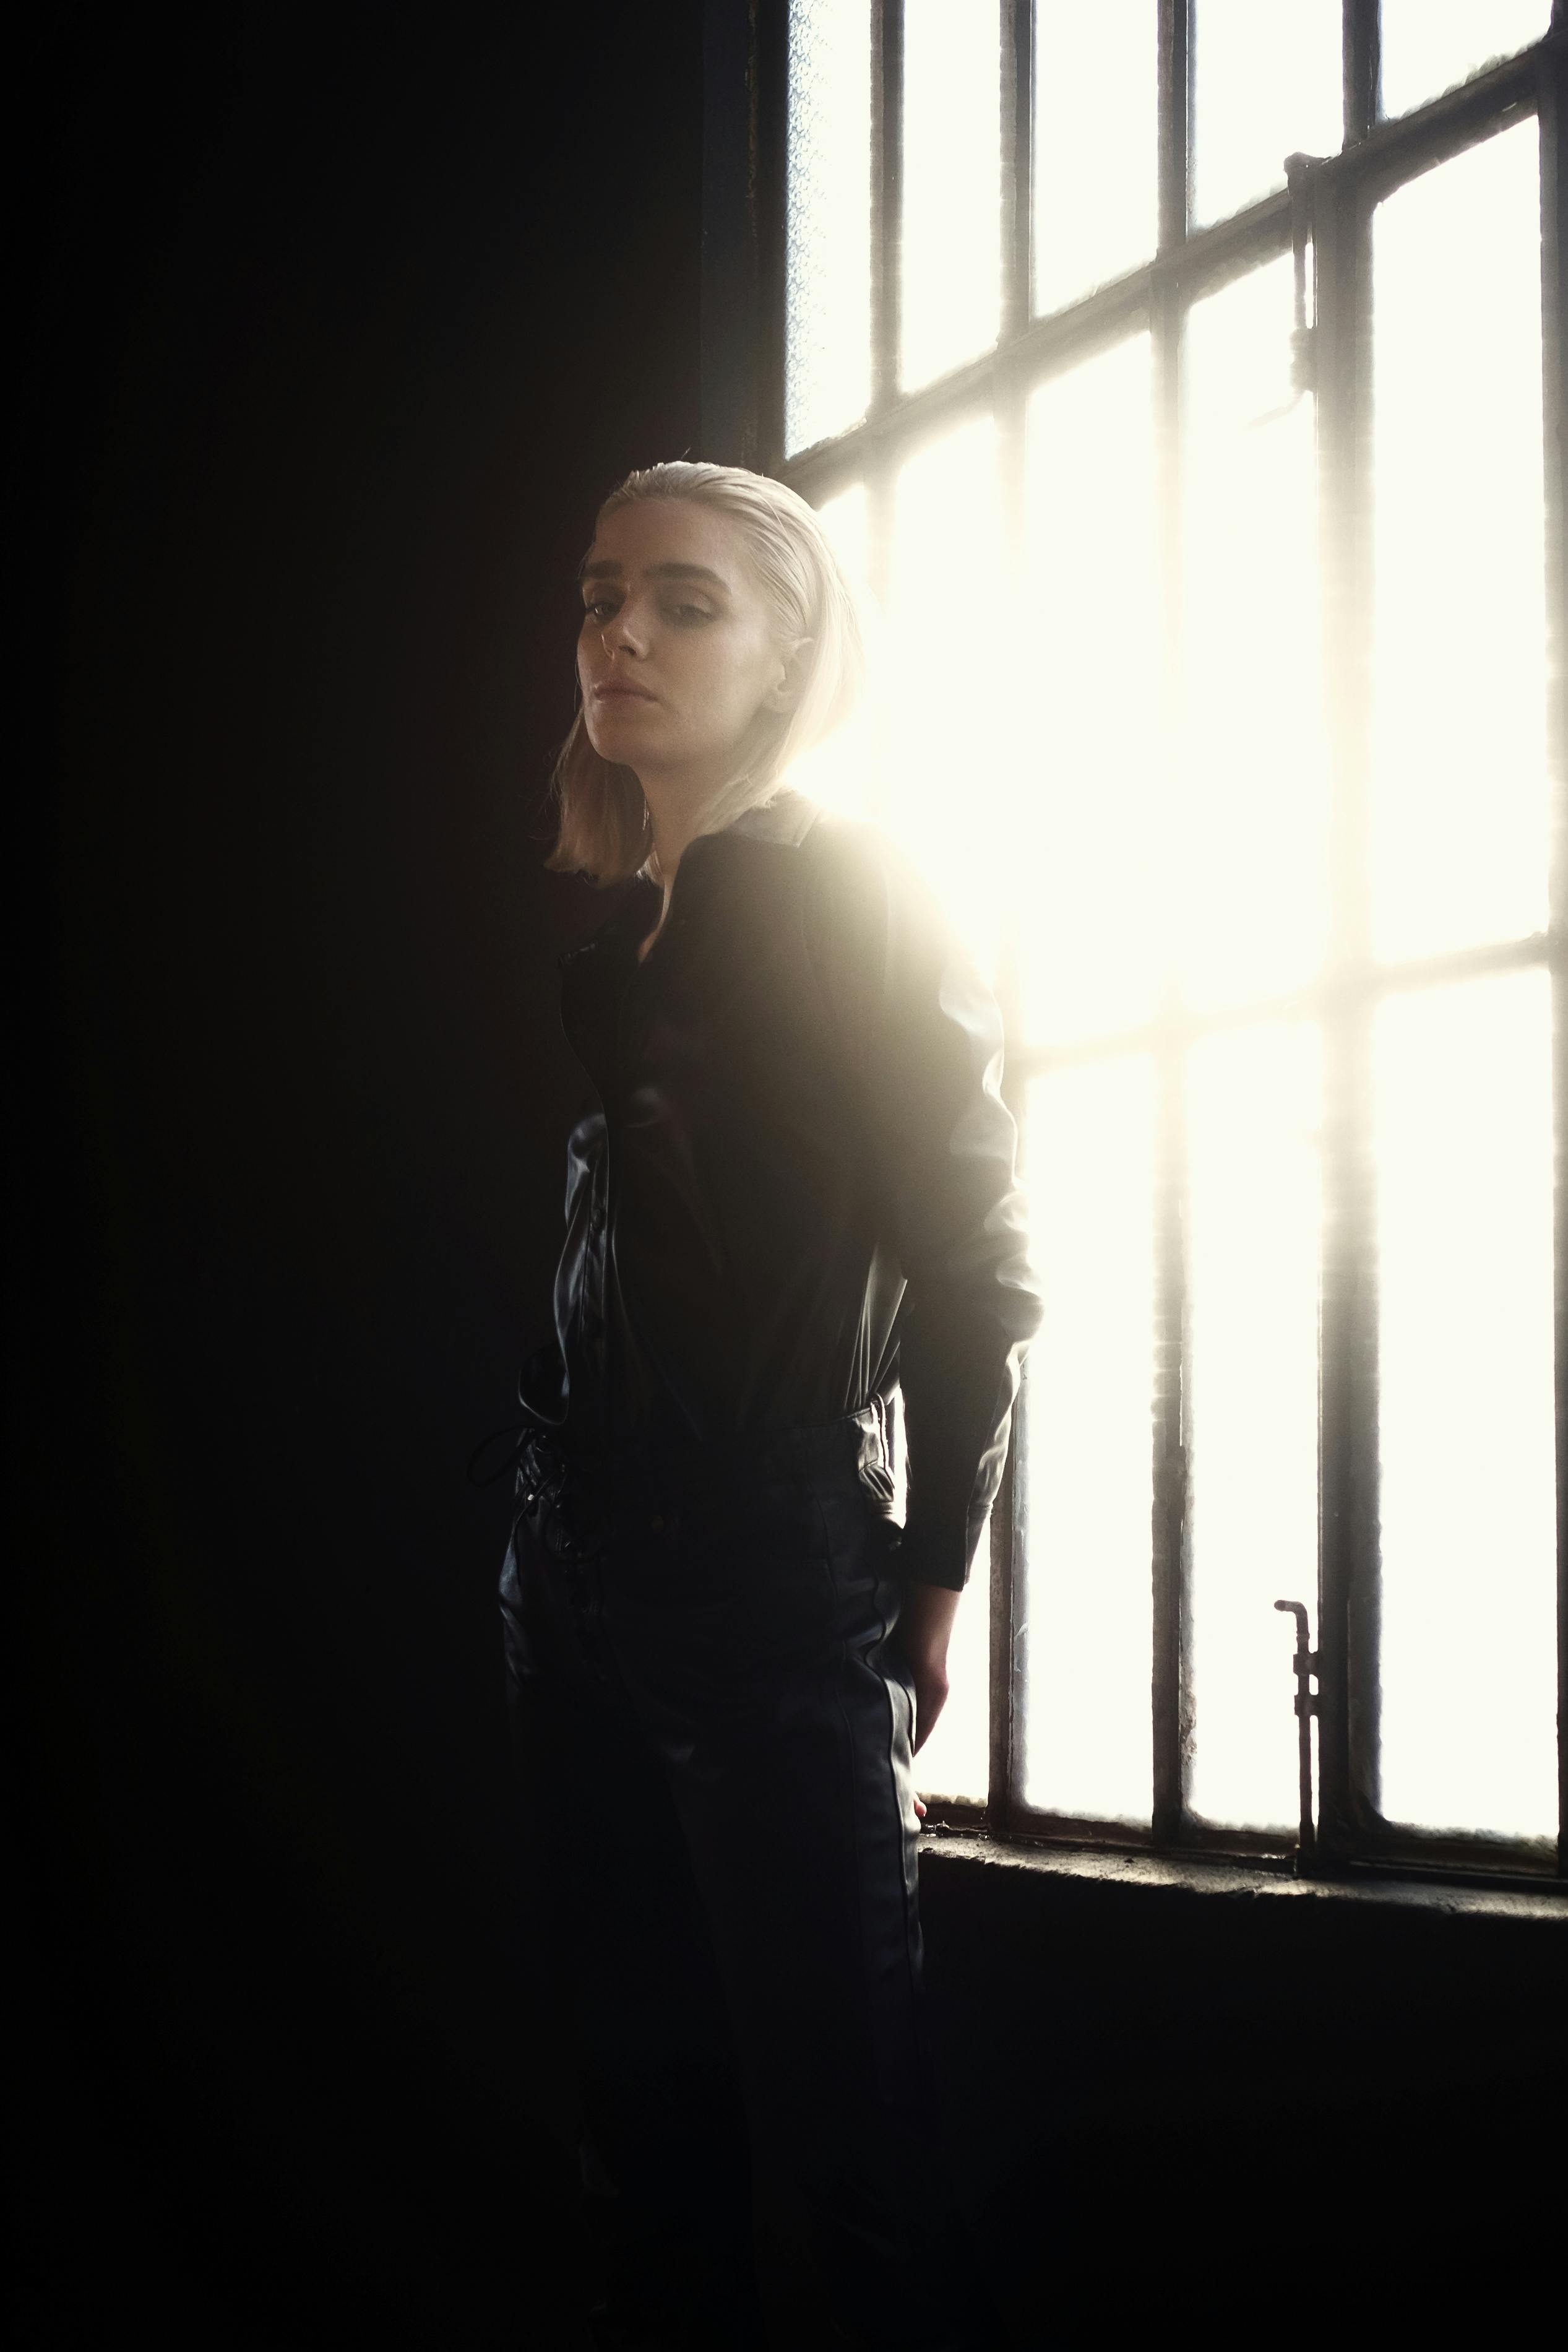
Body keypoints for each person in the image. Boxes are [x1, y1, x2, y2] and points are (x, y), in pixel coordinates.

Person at [497, 460, 1043, 2349]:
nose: (619, 634)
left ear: (791, 650)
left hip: (762, 1574)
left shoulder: (849, 892)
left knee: (848, 2173)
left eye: (683, 600)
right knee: (644, 2153)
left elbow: (979, 1262)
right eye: (595, 595)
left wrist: (933, 1572)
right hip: (568, 1574)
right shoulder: (636, 924)